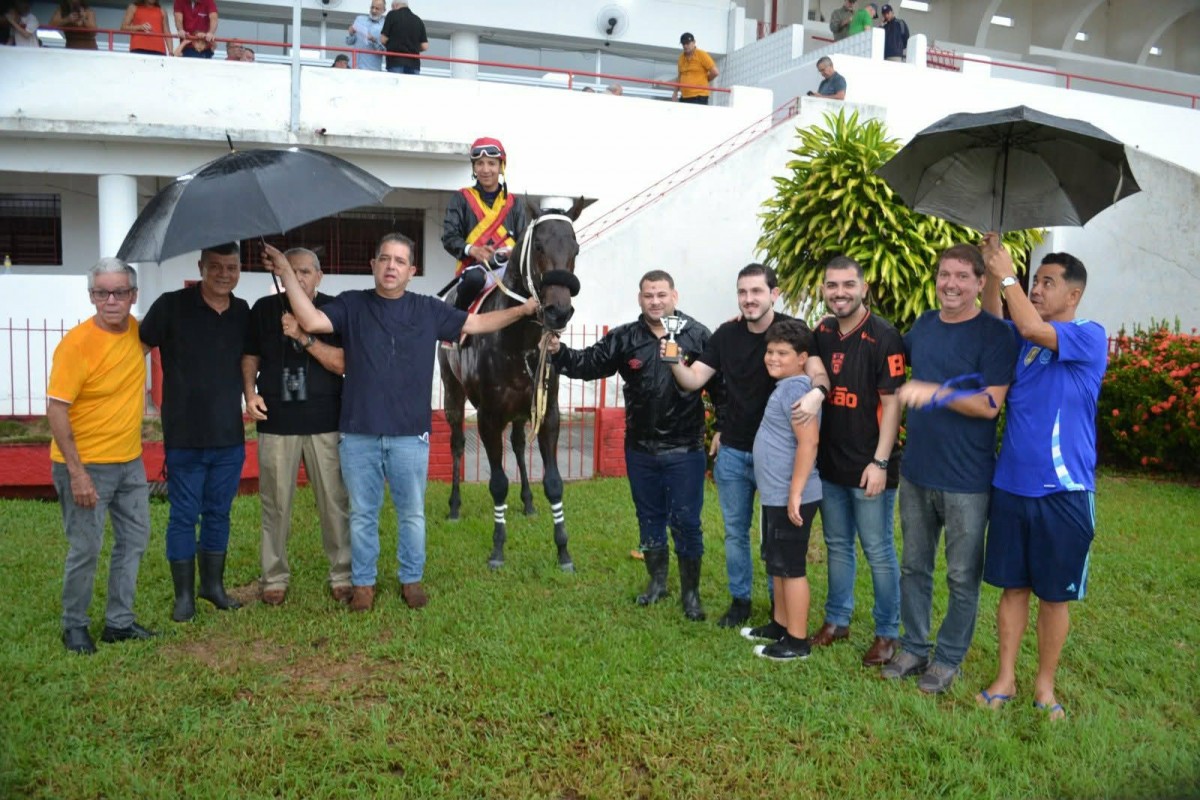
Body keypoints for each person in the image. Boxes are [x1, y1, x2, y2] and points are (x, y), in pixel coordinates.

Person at [261, 235, 538, 612]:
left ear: (411, 271)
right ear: (373, 265)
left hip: (409, 435)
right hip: (359, 433)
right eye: (385, 259)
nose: (391, 266)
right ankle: (364, 583)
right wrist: (285, 272)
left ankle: (411, 579)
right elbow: (310, 320)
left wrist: (522, 311)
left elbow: (476, 323)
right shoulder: (352, 304)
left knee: (412, 514)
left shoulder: (428, 310)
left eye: (400, 261)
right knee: (362, 514)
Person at [976, 236, 1107, 721]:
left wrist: (1008, 273)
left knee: (1054, 596)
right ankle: (1005, 678)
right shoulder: (1023, 341)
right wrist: (994, 274)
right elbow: (995, 321)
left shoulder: (1089, 335)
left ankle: (1045, 687)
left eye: (1047, 283)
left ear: (1073, 294)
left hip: (1065, 492)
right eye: (1034, 281)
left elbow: (1031, 325)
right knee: (1012, 589)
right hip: (1011, 485)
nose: (1035, 289)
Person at [885, 243, 1018, 694]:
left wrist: (936, 393)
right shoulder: (923, 325)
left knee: (962, 576)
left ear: (981, 282)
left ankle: (947, 659)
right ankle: (913, 647)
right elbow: (886, 357)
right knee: (914, 567)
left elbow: (991, 404)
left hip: (967, 480)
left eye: (963, 276)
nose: (952, 284)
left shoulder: (995, 335)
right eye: (945, 274)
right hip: (917, 471)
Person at [667, 264, 828, 629]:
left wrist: (818, 392)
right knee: (735, 533)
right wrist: (674, 359)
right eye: (743, 292)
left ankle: (778, 609)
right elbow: (694, 379)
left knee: (774, 536)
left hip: (778, 458)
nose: (749, 299)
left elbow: (817, 371)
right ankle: (740, 600)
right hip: (734, 453)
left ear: (774, 294)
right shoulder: (726, 335)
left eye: (757, 291)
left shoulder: (793, 332)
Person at [549, 271, 713, 621]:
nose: (655, 301)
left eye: (661, 295)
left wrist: (724, 426)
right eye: (648, 295)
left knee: (686, 521)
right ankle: (657, 583)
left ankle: (691, 594)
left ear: (674, 296)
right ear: (640, 299)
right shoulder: (625, 337)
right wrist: (559, 352)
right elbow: (588, 363)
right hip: (640, 449)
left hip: (685, 449)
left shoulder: (697, 335)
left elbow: (721, 385)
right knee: (648, 517)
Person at [48, 258, 158, 655]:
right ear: (92, 296)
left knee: (134, 540)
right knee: (86, 547)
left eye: (119, 292)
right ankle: (74, 625)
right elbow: (56, 409)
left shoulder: (138, 333)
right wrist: (77, 473)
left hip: (130, 462)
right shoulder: (76, 345)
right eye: (101, 293)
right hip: (85, 464)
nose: (110, 300)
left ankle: (119, 622)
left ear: (133, 295)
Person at [140, 242, 248, 623]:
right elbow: (136, 349)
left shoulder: (242, 312)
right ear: (201, 266)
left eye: (231, 267)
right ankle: (183, 596)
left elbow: (250, 360)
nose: (223, 274)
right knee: (184, 516)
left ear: (239, 270)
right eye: (215, 266)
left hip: (229, 435)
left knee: (219, 513)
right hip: (184, 435)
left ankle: (212, 587)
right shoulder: (171, 306)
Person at [808, 256, 905, 666]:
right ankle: (837, 620)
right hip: (831, 465)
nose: (840, 292)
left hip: (870, 468)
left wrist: (880, 463)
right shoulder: (823, 331)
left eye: (848, 285)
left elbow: (893, 404)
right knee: (837, 546)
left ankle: (887, 633)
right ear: (824, 290)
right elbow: (799, 351)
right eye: (832, 285)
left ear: (863, 288)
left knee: (878, 550)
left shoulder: (884, 336)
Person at [242, 248, 351, 607]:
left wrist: (304, 336)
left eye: (305, 271)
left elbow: (341, 364)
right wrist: (249, 393)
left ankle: (342, 574)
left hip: (326, 422)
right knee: (275, 504)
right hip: (277, 422)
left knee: (334, 502)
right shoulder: (263, 309)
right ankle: (273, 576)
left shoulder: (334, 310)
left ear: (319, 276)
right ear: (279, 272)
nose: (299, 277)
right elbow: (250, 355)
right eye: (292, 270)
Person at [744, 319, 822, 661]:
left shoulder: (795, 389)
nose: (772, 358)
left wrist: (795, 493)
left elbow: (809, 442)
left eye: (782, 353)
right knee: (776, 563)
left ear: (802, 358)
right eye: (770, 351)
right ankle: (780, 624)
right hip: (776, 493)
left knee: (791, 567)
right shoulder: (786, 385)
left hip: (792, 495)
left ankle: (797, 641)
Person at [441, 137, 529, 314]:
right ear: (474, 168)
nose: (486, 169)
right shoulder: (461, 198)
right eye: (479, 163)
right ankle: (458, 321)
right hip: (475, 269)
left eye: (491, 163)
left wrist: (513, 252)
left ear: (501, 167)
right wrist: (473, 250)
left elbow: (524, 241)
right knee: (474, 279)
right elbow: (449, 237)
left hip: (509, 268)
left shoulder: (515, 203)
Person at [380, 1, 426, 75]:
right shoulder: (418, 20)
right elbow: (425, 46)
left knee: (396, 82)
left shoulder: (392, 15)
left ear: (395, 5)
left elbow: (383, 39)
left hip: (395, 62)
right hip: (414, 64)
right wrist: (413, 47)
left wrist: (391, 45)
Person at [672, 32, 718, 105]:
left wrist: (705, 79)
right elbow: (679, 77)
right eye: (683, 44)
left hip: (699, 96)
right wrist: (675, 93)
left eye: (687, 43)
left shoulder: (702, 55)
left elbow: (715, 72)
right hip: (684, 96)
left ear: (694, 42)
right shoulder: (681, 58)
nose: (685, 46)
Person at [345, 0, 385, 72]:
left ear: (383, 10)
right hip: (353, 66)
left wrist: (374, 40)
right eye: (372, 7)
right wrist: (351, 34)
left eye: (377, 8)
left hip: (371, 70)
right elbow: (349, 42)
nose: (373, 10)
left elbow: (384, 51)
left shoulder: (385, 26)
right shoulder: (359, 19)